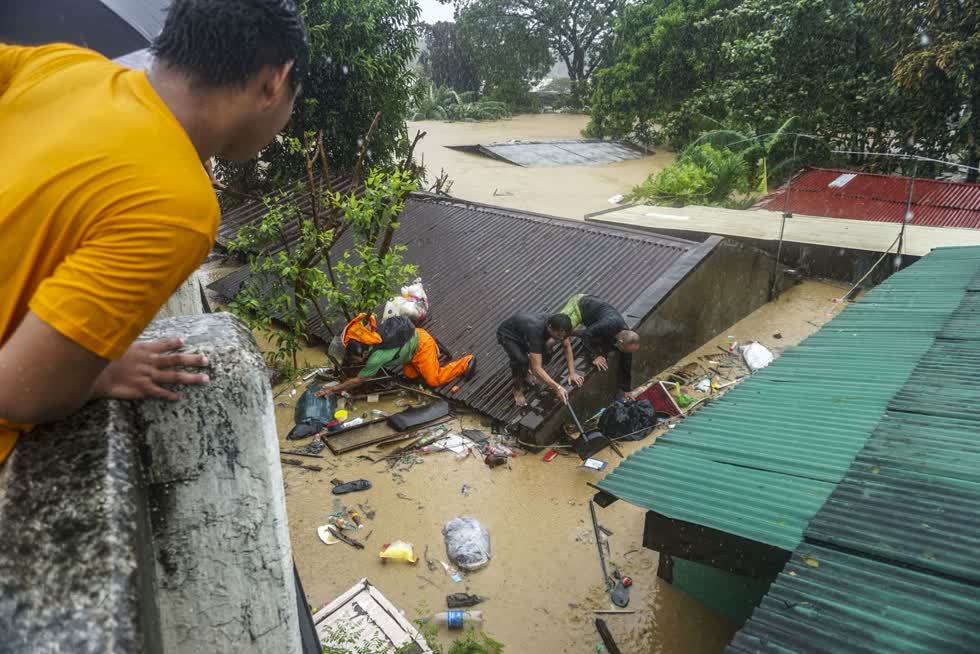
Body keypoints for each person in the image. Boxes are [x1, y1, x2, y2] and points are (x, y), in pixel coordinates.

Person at [0, 0, 309, 464]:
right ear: (274, 83)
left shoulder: (64, 64)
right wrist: (97, 374)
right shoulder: (178, 207)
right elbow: (19, 392)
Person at [316, 314, 475, 397]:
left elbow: (359, 380)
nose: (353, 361)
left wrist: (334, 389)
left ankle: (465, 362)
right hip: (411, 348)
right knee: (410, 374)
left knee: (433, 380)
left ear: (364, 352)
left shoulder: (376, 358)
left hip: (421, 345)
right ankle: (433, 351)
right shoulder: (369, 337)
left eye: (355, 358)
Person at [559, 294, 641, 398]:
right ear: (620, 341)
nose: (625, 352)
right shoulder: (608, 324)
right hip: (580, 305)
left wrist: (626, 390)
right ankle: (570, 332)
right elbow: (586, 335)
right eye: (624, 349)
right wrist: (594, 357)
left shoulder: (625, 335)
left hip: (596, 321)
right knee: (555, 336)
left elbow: (626, 362)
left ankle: (573, 332)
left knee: (597, 339)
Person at [497, 312, 580, 408]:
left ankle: (528, 370)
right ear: (549, 327)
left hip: (525, 334)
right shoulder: (536, 331)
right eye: (558, 335)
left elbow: (566, 346)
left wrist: (572, 372)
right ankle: (517, 390)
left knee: (546, 353)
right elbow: (537, 369)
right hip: (508, 335)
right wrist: (557, 387)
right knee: (521, 361)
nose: (561, 338)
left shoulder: (560, 326)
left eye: (563, 336)